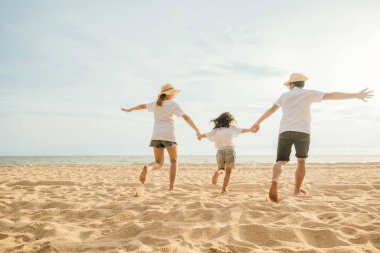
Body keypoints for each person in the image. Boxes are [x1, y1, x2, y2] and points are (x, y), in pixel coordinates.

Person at [251, 73, 374, 202]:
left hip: (285, 130)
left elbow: (271, 109)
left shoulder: (285, 96)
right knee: (301, 161)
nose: (288, 87)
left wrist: (257, 122)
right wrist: (356, 95)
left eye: (288, 84)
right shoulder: (309, 93)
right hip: (303, 131)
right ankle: (296, 191)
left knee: (281, 161)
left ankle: (275, 180)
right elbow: (332, 95)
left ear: (292, 84)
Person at [121, 83, 201, 190]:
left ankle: (148, 168)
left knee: (158, 163)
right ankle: (171, 187)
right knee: (174, 161)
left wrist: (130, 109)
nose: (174, 95)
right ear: (170, 93)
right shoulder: (173, 104)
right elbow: (186, 118)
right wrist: (197, 131)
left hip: (156, 135)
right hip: (169, 135)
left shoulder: (156, 103)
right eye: (173, 93)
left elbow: (142, 106)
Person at [198, 112, 256, 193]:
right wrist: (251, 130)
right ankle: (224, 189)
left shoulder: (216, 130)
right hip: (230, 150)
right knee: (228, 172)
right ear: (229, 120)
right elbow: (242, 130)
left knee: (221, 169)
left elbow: (207, 134)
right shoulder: (232, 128)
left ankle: (217, 173)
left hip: (220, 151)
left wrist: (200, 136)